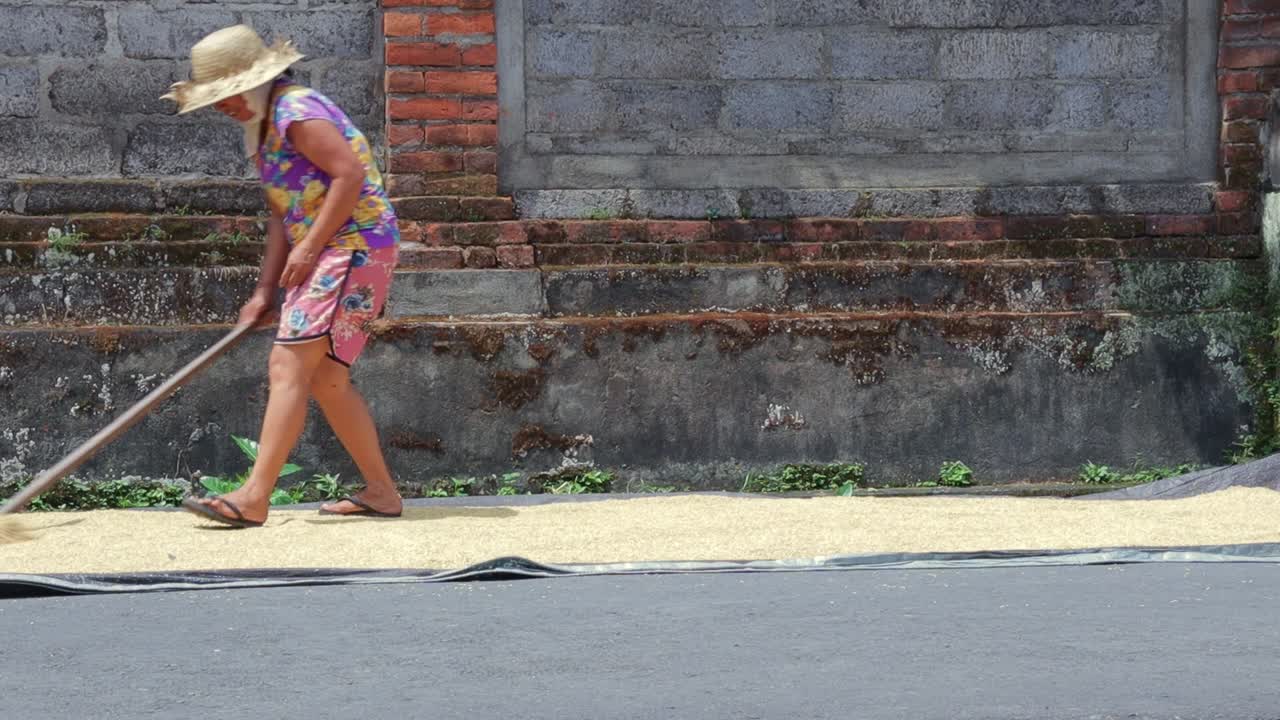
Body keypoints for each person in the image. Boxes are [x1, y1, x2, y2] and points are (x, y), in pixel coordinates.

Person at [166, 25, 402, 527]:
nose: (220, 106)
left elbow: (349, 175)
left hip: (353, 245)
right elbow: (282, 214)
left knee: (287, 363)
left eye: (225, 95)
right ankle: (381, 492)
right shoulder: (265, 130)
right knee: (326, 379)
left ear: (253, 82)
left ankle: (254, 496)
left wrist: (312, 246)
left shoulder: (297, 111)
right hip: (331, 249)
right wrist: (263, 290)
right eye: (214, 98)